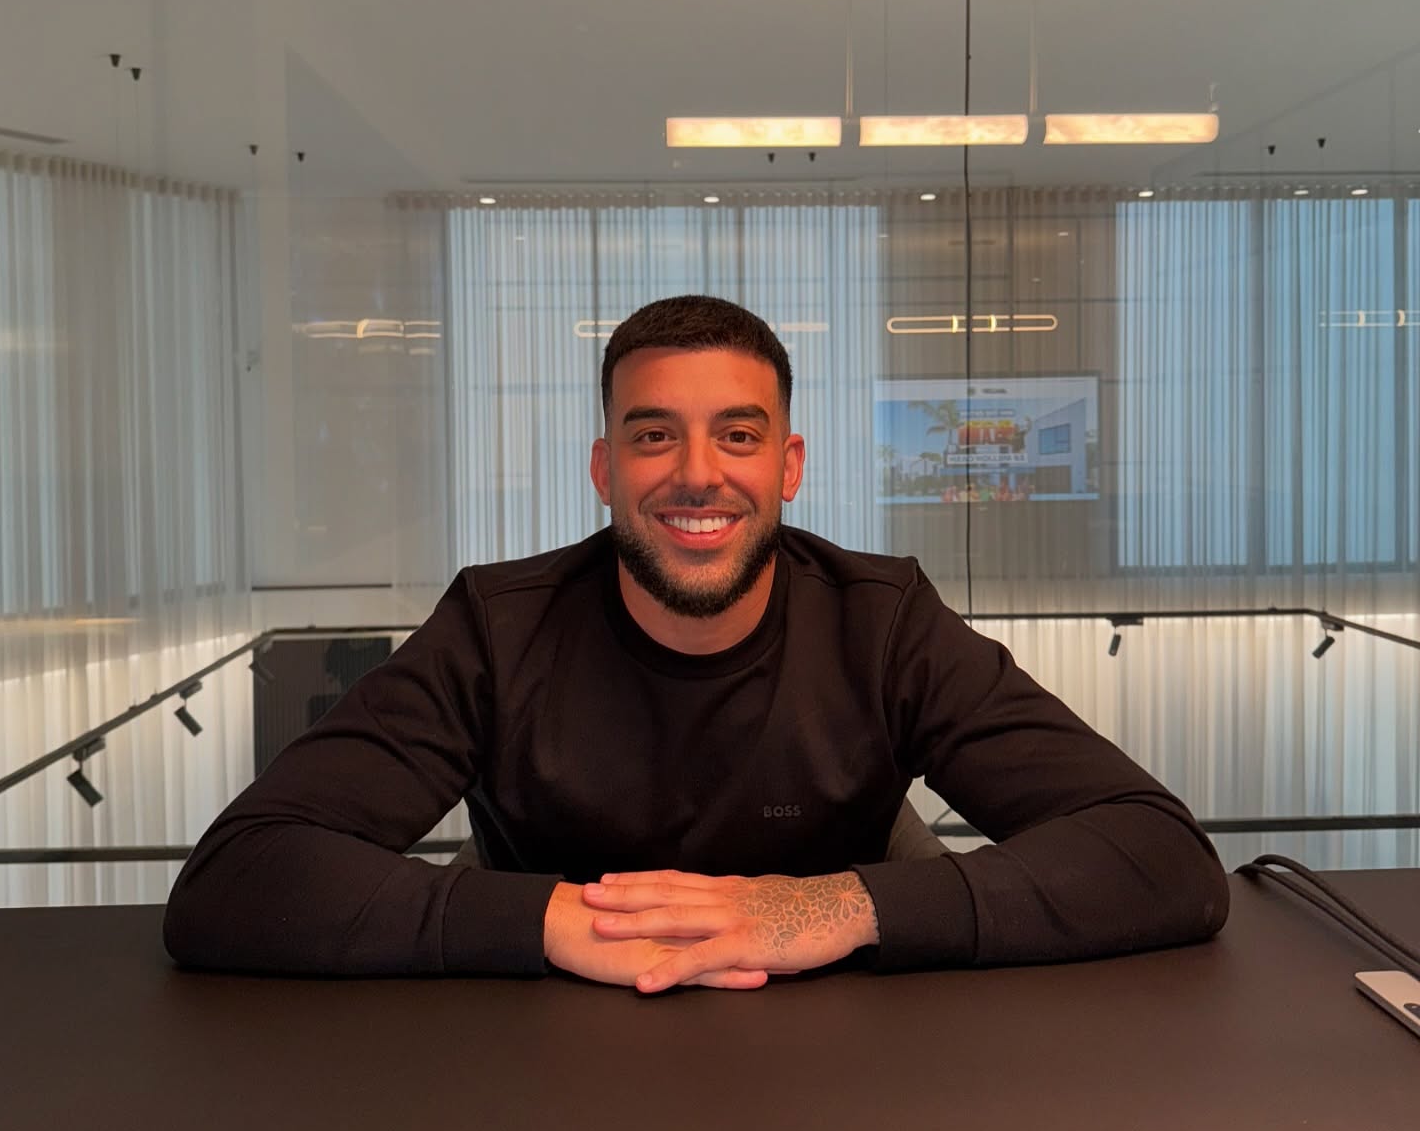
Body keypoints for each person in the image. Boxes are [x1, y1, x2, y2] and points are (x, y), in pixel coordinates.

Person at [164, 295, 1228, 992]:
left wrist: (830, 905)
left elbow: (1158, 853)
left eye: (738, 434)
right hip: (546, 1074)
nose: (697, 474)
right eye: (653, 435)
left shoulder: (882, 618)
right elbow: (239, 877)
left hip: (856, 1079)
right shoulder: (498, 626)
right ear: (605, 469)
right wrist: (552, 921)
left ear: (789, 466)